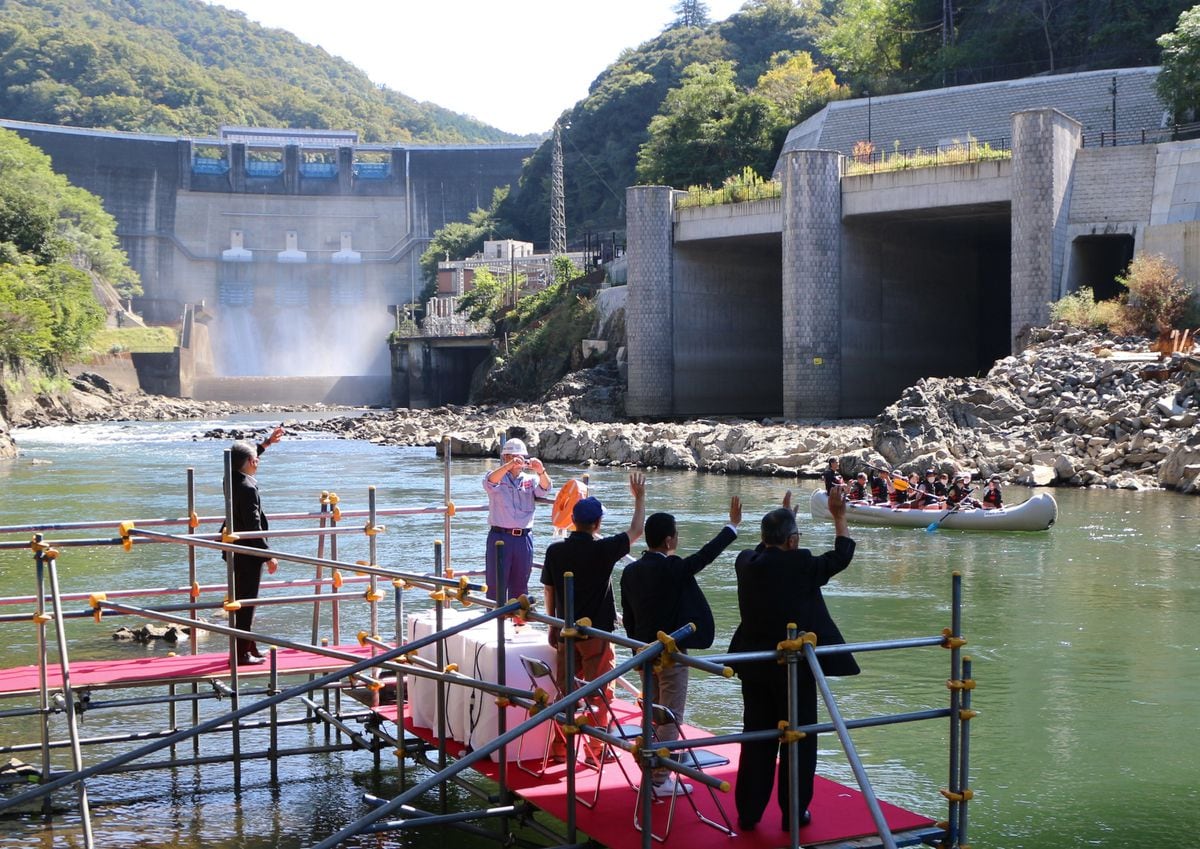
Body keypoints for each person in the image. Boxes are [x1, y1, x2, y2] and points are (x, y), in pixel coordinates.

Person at [729, 486, 859, 832]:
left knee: (756, 739)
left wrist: (786, 523)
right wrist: (839, 516)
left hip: (755, 668)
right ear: (792, 542)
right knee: (799, 741)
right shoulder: (801, 564)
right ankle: (793, 812)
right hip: (795, 669)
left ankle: (749, 812)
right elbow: (841, 555)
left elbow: (766, 552)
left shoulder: (746, 562)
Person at [620, 496, 741, 796]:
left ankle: (648, 770)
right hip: (671, 654)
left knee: (651, 713)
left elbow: (628, 616)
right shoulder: (673, 567)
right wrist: (732, 526)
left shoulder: (630, 571)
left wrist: (636, 649)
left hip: (643, 652)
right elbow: (705, 556)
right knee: (670, 715)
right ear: (669, 539)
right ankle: (659, 779)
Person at [540, 473, 646, 760]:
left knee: (566, 693)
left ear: (572, 520)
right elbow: (637, 530)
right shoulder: (604, 549)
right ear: (597, 524)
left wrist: (552, 623)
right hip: (597, 632)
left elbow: (548, 589)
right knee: (599, 694)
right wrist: (639, 498)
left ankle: (561, 749)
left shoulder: (555, 551)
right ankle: (595, 749)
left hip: (566, 628)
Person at [224, 426, 284, 666]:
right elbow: (253, 525)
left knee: (242, 599)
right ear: (249, 462)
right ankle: (241, 654)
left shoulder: (230, 476)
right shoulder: (247, 488)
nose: (257, 462)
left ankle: (249, 645)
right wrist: (266, 555)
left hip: (235, 549)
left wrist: (265, 444)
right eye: (255, 459)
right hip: (248, 552)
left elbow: (242, 459)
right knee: (246, 602)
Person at [483, 437, 551, 601]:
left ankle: (518, 623)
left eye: (521, 457)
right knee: (495, 585)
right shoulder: (497, 477)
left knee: (521, 586)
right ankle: (495, 621)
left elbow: (546, 488)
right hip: (499, 536)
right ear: (506, 457)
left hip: (523, 538)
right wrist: (508, 467)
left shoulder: (530, 480)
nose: (519, 460)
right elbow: (489, 482)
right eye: (514, 456)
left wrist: (541, 471)